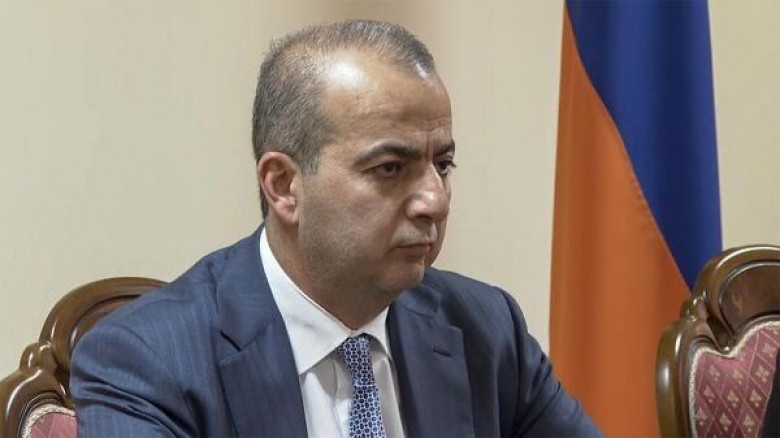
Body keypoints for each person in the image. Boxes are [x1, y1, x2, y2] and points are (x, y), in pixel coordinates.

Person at [71, 20, 601, 437]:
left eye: (442, 164)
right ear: (283, 185)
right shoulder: (147, 360)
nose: (434, 201)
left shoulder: (486, 329)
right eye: (390, 168)